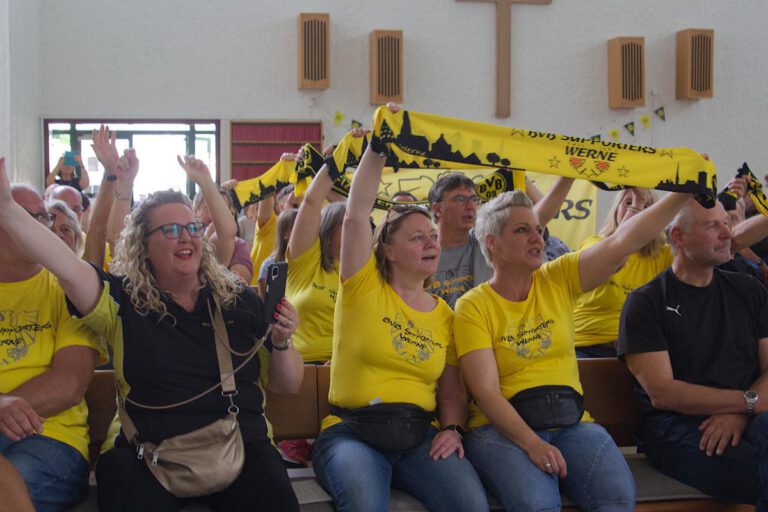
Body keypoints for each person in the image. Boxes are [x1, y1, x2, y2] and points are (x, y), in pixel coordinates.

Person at [0, 154, 304, 512]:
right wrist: (6, 209)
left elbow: (288, 384)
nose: (186, 237)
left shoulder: (238, 300)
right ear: (143, 243)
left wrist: (282, 341)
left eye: (191, 227)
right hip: (145, 452)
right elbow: (65, 265)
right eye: (170, 230)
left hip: (240, 442)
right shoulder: (121, 300)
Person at [453, 187, 690, 511]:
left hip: (570, 422)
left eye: (538, 230)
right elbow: (487, 393)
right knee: (537, 503)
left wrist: (682, 193)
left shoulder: (557, 277)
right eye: (522, 230)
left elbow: (624, 241)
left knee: (617, 498)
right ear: (493, 243)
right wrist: (533, 444)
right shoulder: (473, 306)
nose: (537, 239)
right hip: (498, 430)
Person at [312, 120, 489, 512]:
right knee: (364, 505)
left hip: (419, 439)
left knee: (471, 505)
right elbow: (356, 216)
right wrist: (377, 147)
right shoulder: (362, 287)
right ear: (389, 251)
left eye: (433, 236)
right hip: (352, 434)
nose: (431, 243)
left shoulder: (445, 315)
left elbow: (452, 390)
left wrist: (453, 429)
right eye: (417, 237)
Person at [618, 198, 768, 510]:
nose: (727, 233)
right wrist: (748, 403)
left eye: (726, 222)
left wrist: (742, 411)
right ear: (677, 237)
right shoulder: (646, 303)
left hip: (749, 415)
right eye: (713, 226)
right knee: (753, 467)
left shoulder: (749, 290)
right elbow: (663, 393)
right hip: (676, 426)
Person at [0, 167, 105, 512]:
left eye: (47, 218)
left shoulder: (68, 290)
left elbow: (68, 384)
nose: (45, 227)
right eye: (33, 218)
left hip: (49, 438)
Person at [426, 173, 573, 307]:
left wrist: (568, 174)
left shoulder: (486, 238)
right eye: (460, 199)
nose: (470, 206)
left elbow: (540, 215)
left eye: (474, 200)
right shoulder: (421, 252)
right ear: (438, 209)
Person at [573, 188, 672, 358]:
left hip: (639, 347)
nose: (637, 209)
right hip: (587, 346)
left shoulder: (663, 255)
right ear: (616, 209)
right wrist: (639, 203)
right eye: (628, 202)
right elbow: (618, 244)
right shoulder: (594, 244)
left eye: (646, 206)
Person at [286, 160, 344, 363]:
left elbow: (358, 208)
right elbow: (311, 202)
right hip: (304, 367)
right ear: (328, 229)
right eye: (346, 225)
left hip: (350, 368)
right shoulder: (306, 263)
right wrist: (336, 161)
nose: (356, 230)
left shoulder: (368, 269)